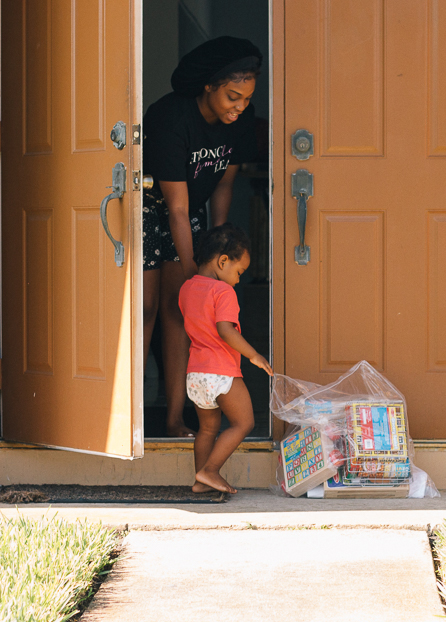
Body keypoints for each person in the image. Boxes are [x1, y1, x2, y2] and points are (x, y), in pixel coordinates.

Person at [142, 36, 262, 437]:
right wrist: (196, 272)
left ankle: (175, 418)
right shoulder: (171, 118)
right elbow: (174, 206)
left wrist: (218, 243)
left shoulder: (238, 124)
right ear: (209, 86)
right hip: (150, 212)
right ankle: (130, 419)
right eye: (232, 96)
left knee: (181, 316)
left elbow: (223, 186)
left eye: (246, 99)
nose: (239, 107)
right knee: (145, 311)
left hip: (188, 216)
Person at [178, 224, 273, 493]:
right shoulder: (223, 292)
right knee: (244, 423)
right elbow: (224, 329)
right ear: (222, 261)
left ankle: (200, 481)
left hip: (195, 375)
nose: (239, 280)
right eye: (238, 272)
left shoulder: (187, 289)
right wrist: (253, 355)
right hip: (221, 373)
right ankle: (210, 470)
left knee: (207, 429)